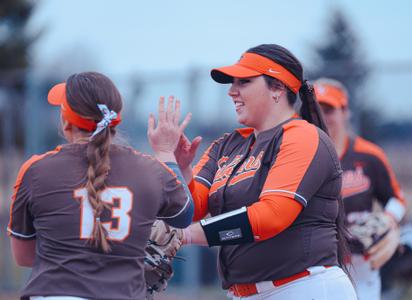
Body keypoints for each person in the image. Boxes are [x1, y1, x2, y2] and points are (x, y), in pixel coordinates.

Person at [151, 44, 357, 299]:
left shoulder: (303, 137)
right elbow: (192, 209)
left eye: (244, 82)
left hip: (302, 288)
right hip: (244, 293)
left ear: (278, 89)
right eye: (232, 83)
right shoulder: (227, 145)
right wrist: (178, 166)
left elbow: (272, 215)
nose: (232, 92)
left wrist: (186, 235)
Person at [7, 72, 194, 300]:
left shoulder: (35, 170)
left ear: (66, 121)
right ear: (117, 119)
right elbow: (184, 216)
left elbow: (24, 256)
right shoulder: (150, 171)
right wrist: (166, 153)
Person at [313, 78, 406, 300]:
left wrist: (389, 220)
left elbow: (396, 199)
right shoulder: (301, 157)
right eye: (316, 109)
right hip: (316, 264)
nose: (322, 117)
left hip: (361, 262)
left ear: (345, 112)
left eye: (329, 110)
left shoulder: (369, 155)